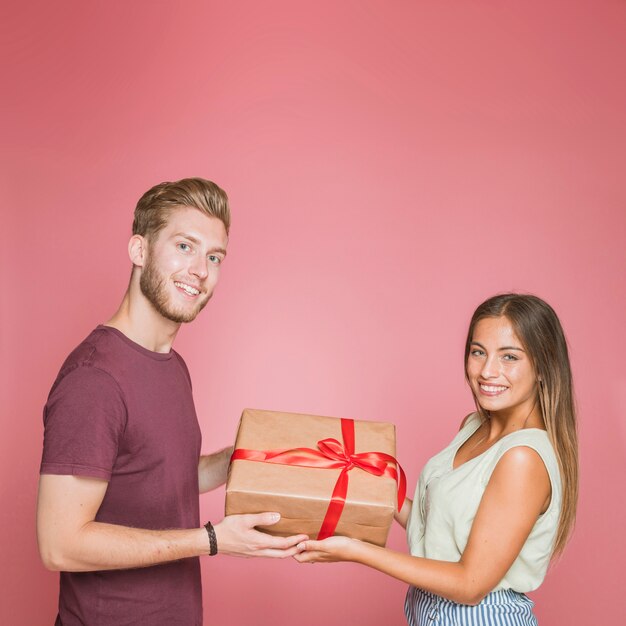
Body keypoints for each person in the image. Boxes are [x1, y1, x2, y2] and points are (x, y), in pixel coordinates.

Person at [37, 178, 307, 626]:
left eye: (214, 257)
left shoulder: (172, 365)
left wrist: (246, 457)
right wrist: (212, 540)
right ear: (139, 251)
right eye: (185, 246)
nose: (200, 270)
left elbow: (157, 473)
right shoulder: (94, 378)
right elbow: (59, 544)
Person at [295, 293, 578, 626]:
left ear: (543, 367)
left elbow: (470, 584)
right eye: (478, 352)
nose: (488, 371)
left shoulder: (522, 458)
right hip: (428, 614)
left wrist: (356, 550)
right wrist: (368, 481)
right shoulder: (473, 427)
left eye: (509, 357)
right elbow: (439, 527)